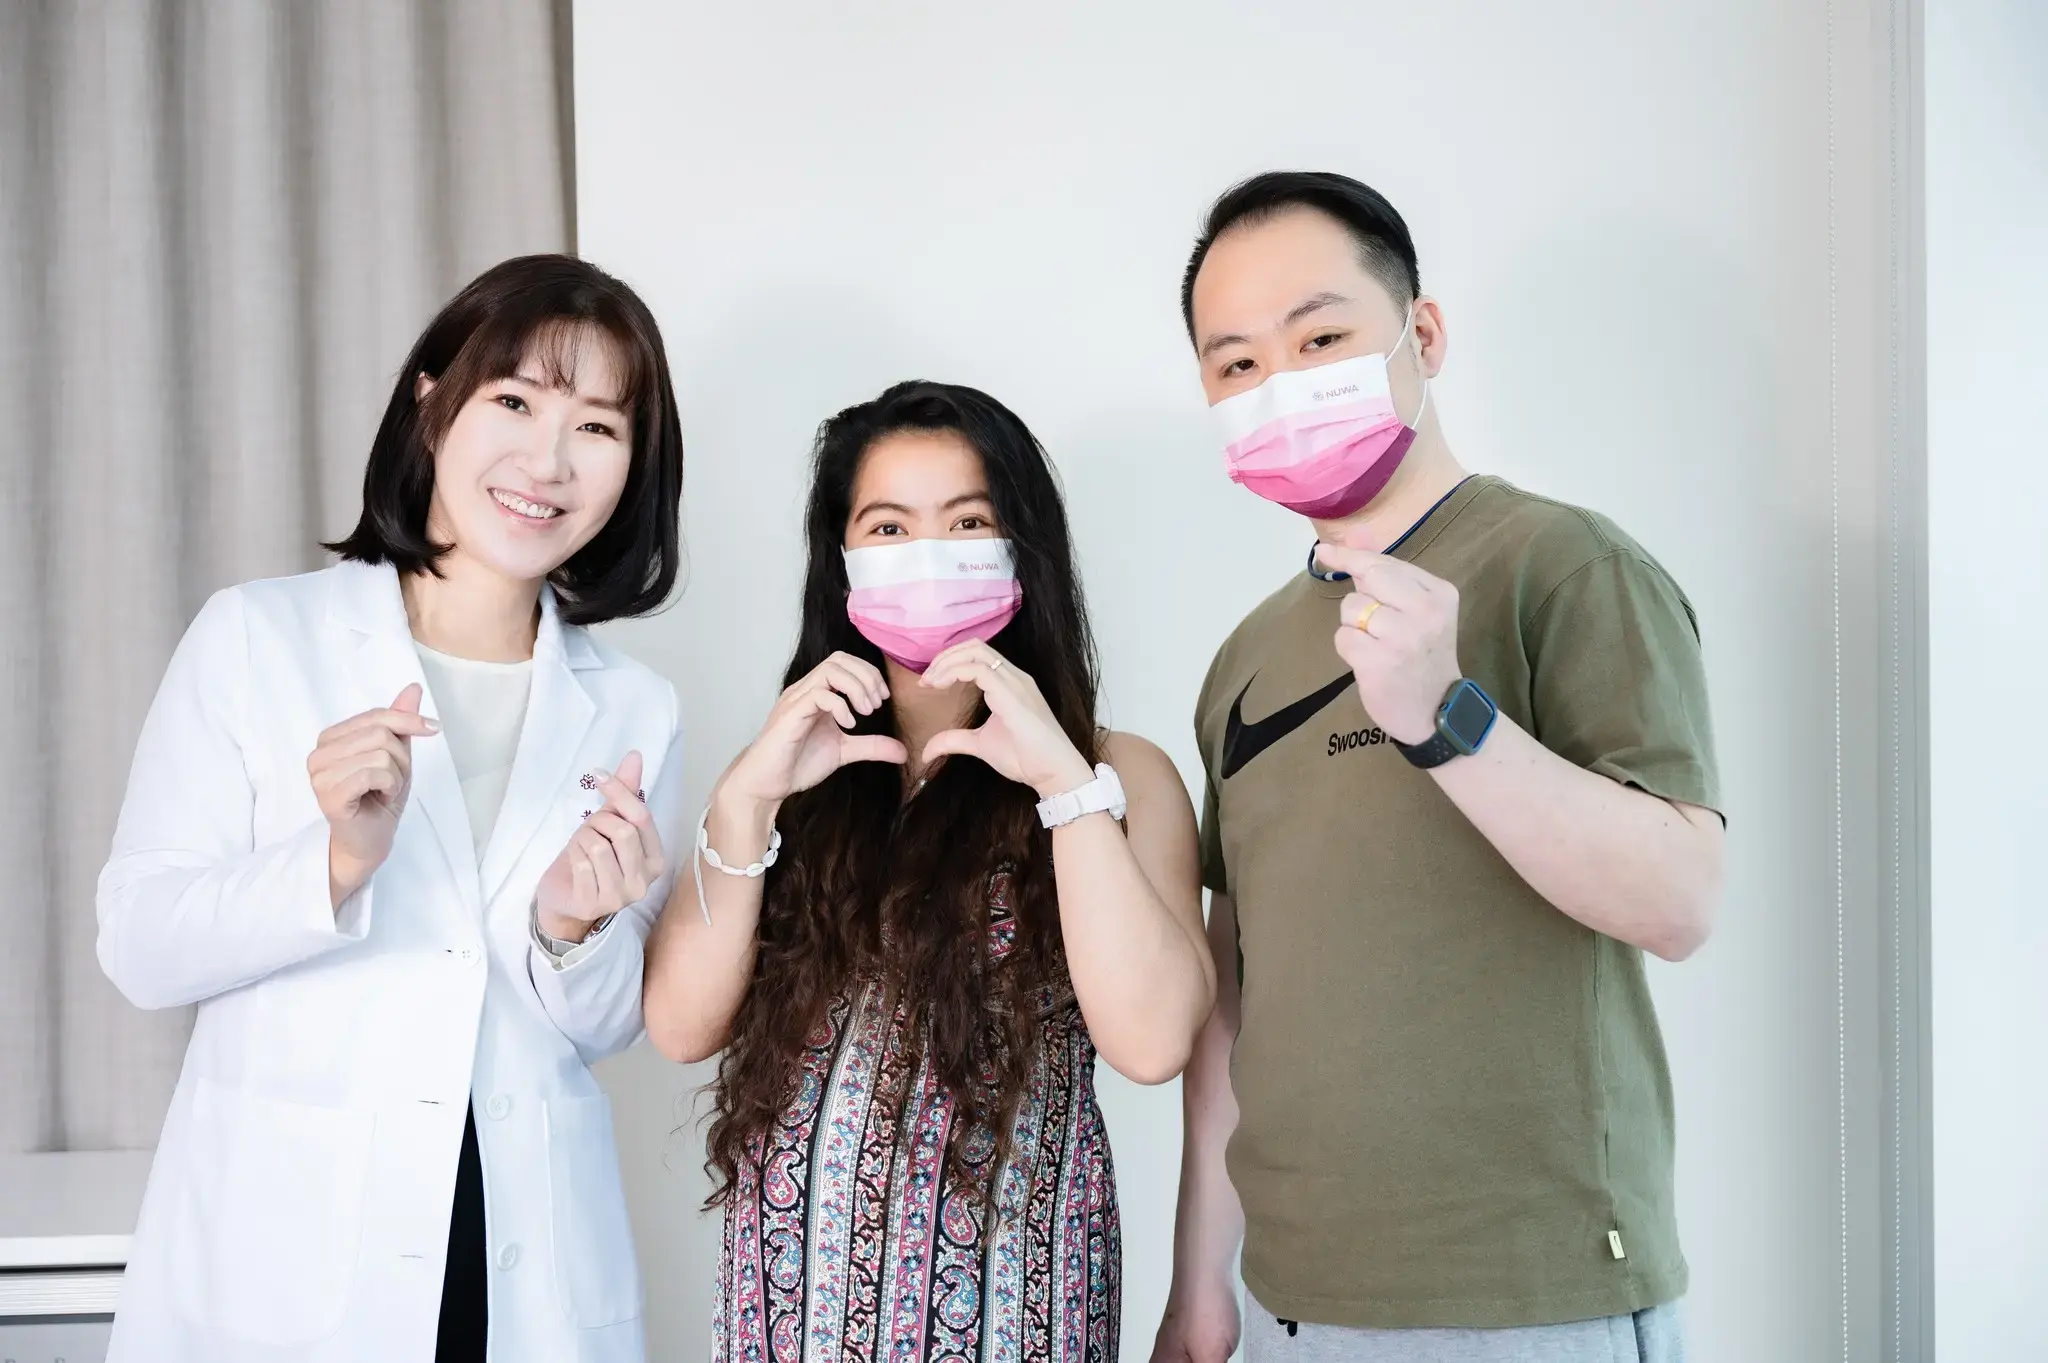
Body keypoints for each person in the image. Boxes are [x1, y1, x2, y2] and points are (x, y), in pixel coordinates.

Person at [1150, 173, 1725, 1363]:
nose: (1281, 386)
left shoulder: (1560, 566)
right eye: (1236, 364)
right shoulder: (1244, 659)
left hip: (1526, 1300)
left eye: (1319, 338)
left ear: (1420, 334)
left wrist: (1445, 718)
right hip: (1289, 1302)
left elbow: (1678, 900)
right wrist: (1198, 1288)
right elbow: (1232, 996)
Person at [96, 254, 687, 1363]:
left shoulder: (633, 707)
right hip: (290, 1261)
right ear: (432, 405)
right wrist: (332, 865)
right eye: (513, 401)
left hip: (521, 1260)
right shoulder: (258, 637)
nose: (546, 461)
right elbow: (138, 944)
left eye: (598, 428)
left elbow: (606, 1025)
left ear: (631, 468)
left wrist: (574, 932)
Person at [641, 380, 1214, 1363]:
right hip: (791, 1316)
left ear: (1020, 548)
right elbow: (680, 1025)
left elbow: (1155, 1039)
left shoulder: (1116, 772)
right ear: (842, 557)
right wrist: (743, 802)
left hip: (1013, 1316)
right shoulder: (794, 768)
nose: (928, 554)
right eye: (889, 525)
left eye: (966, 522)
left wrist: (1062, 786)